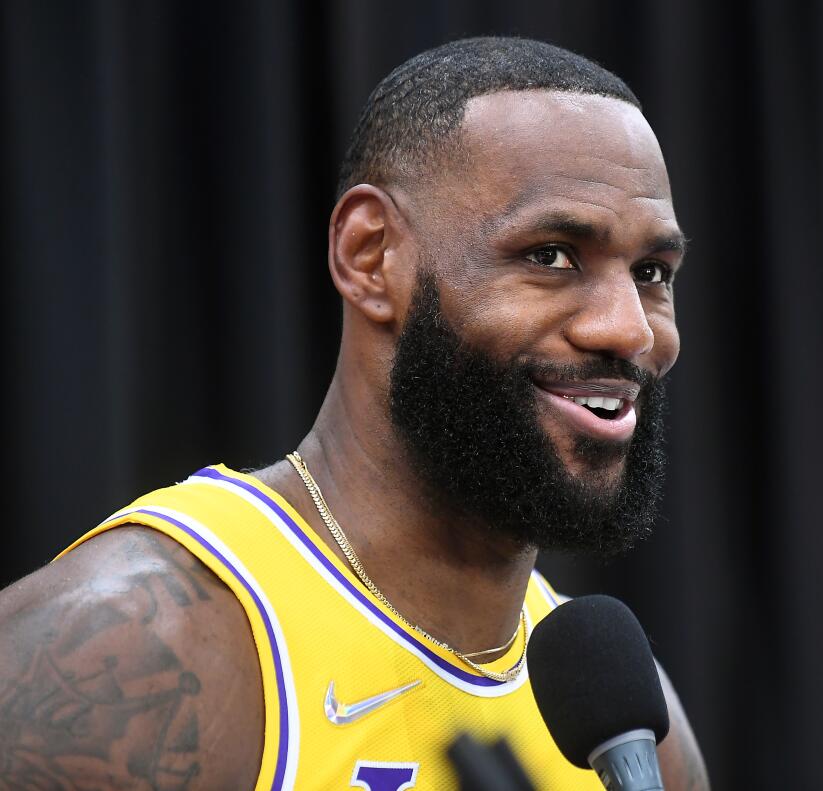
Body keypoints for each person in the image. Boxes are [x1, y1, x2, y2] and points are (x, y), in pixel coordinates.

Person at [0, 36, 707, 790]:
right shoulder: (144, 651)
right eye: (552, 255)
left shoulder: (632, 735)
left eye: (651, 273)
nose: (630, 328)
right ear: (372, 256)